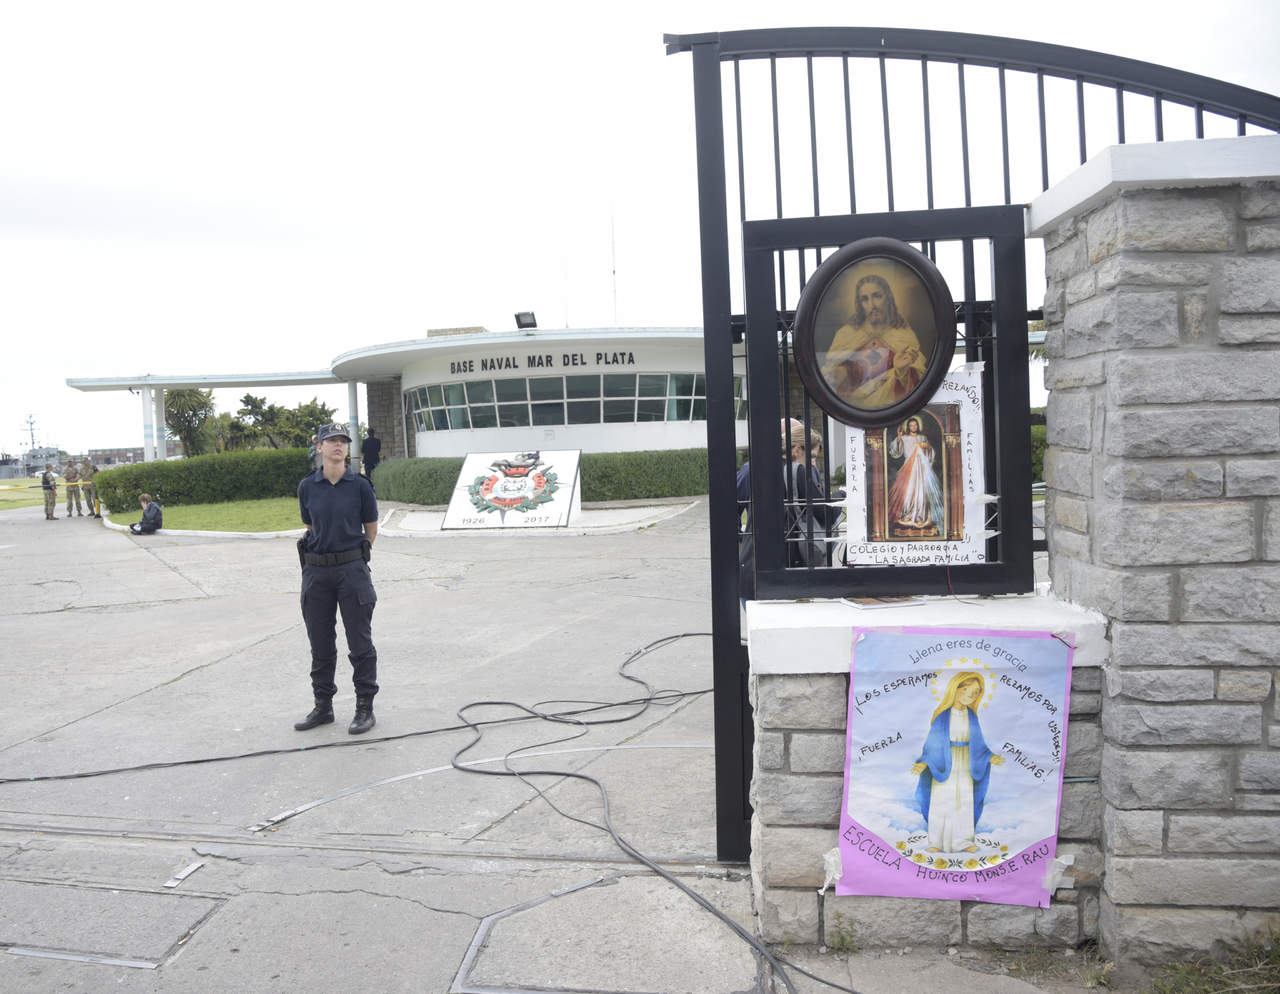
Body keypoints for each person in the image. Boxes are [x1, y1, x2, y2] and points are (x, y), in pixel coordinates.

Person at [295, 422, 380, 735]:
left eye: (343, 441)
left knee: (360, 643)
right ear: (319, 446)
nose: (338, 445)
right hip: (316, 572)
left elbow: (371, 529)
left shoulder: (360, 486)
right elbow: (310, 526)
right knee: (320, 644)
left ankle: (364, 708)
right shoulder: (308, 486)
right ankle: (323, 706)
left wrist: (352, 556)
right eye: (331, 440)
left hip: (352, 571)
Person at [910, 672, 1004, 853]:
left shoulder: (972, 717)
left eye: (976, 692)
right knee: (942, 800)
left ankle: (963, 841)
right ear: (956, 688)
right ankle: (936, 842)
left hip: (966, 764)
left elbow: (978, 743)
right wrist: (925, 762)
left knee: (964, 800)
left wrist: (988, 756)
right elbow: (933, 744)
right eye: (967, 690)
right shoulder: (942, 717)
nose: (971, 695)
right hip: (944, 763)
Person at [820, 274, 926, 408]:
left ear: (888, 298)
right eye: (865, 299)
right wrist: (841, 372)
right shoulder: (846, 334)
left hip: (893, 409)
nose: (872, 305)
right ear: (860, 304)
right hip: (854, 410)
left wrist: (901, 371)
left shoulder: (903, 335)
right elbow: (830, 378)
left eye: (877, 296)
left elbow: (919, 378)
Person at [887, 416, 945, 535]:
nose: (913, 427)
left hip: (921, 468)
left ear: (918, 426)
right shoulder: (904, 438)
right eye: (911, 425)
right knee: (908, 492)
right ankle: (907, 514)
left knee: (921, 492)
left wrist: (926, 447)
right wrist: (899, 438)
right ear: (908, 427)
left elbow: (930, 451)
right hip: (908, 468)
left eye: (915, 425)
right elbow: (895, 452)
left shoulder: (922, 438)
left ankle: (920, 516)